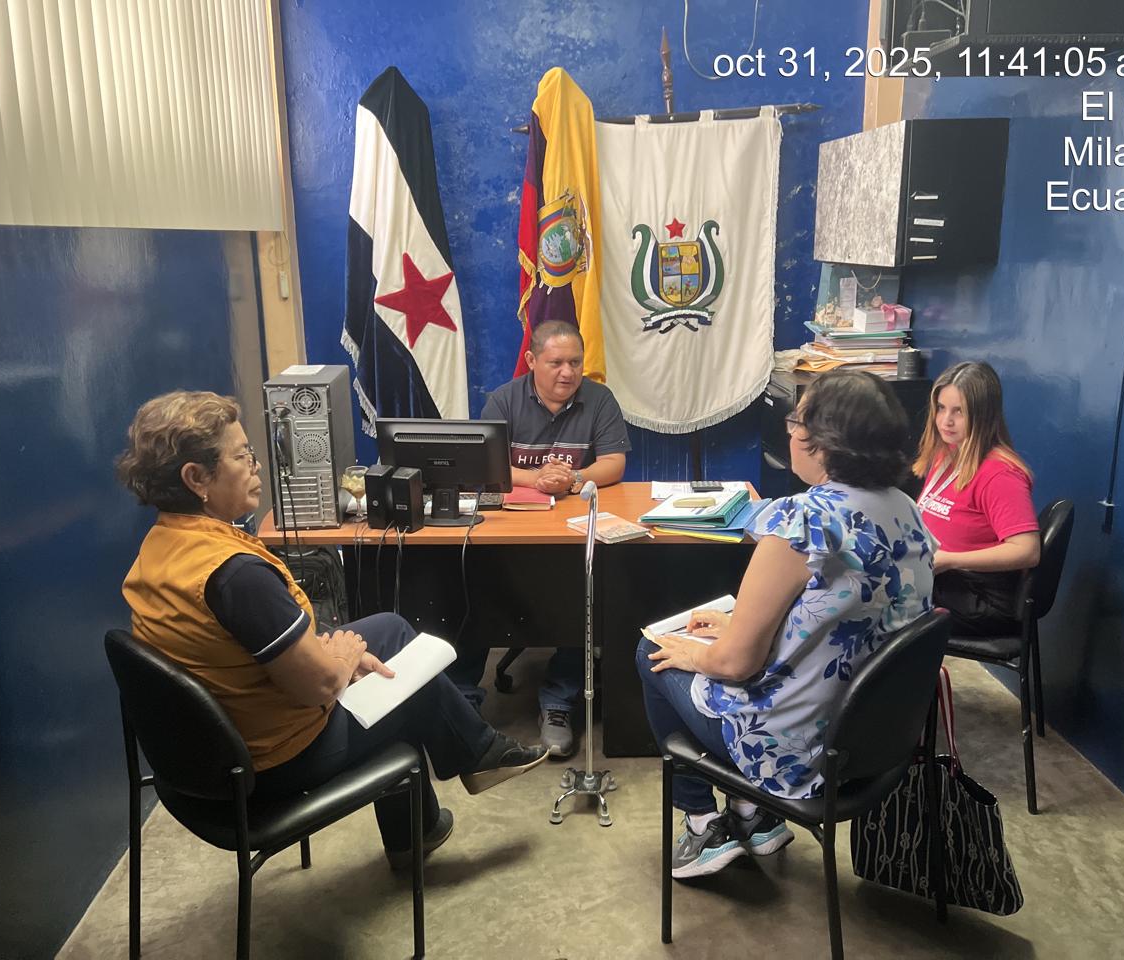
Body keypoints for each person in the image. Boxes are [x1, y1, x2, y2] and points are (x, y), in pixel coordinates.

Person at [116, 391, 548, 869]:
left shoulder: (163, 544)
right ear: (197, 478)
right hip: (276, 764)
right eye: (242, 456)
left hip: (208, 758)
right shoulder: (236, 576)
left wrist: (329, 655)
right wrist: (339, 662)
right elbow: (317, 687)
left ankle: (449, 793)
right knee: (405, 686)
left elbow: (231, 647)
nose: (257, 466)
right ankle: (463, 773)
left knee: (389, 629)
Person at [636, 370, 935, 879]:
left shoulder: (803, 520)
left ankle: (703, 823)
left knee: (653, 653)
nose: (790, 430)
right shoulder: (906, 509)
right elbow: (843, 615)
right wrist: (735, 625)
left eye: (797, 420)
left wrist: (699, 652)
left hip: (796, 751)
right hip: (875, 744)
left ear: (824, 442)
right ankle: (751, 816)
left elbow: (736, 663)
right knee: (711, 644)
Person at [450, 319, 631, 758]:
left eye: (575, 362)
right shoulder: (504, 400)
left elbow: (614, 463)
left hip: (572, 532)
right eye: (556, 363)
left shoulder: (600, 399)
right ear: (532, 360)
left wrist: (573, 480)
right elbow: (484, 462)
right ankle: (462, 705)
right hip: (509, 533)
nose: (567, 372)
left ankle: (558, 703)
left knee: (580, 593)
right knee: (470, 588)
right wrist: (537, 478)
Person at [912, 361, 1040, 636]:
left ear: (982, 415)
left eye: (958, 411)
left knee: (879, 597)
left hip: (984, 597)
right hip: (949, 579)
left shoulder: (1000, 475)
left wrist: (949, 559)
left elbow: (1027, 551)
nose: (946, 421)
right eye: (941, 408)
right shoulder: (948, 454)